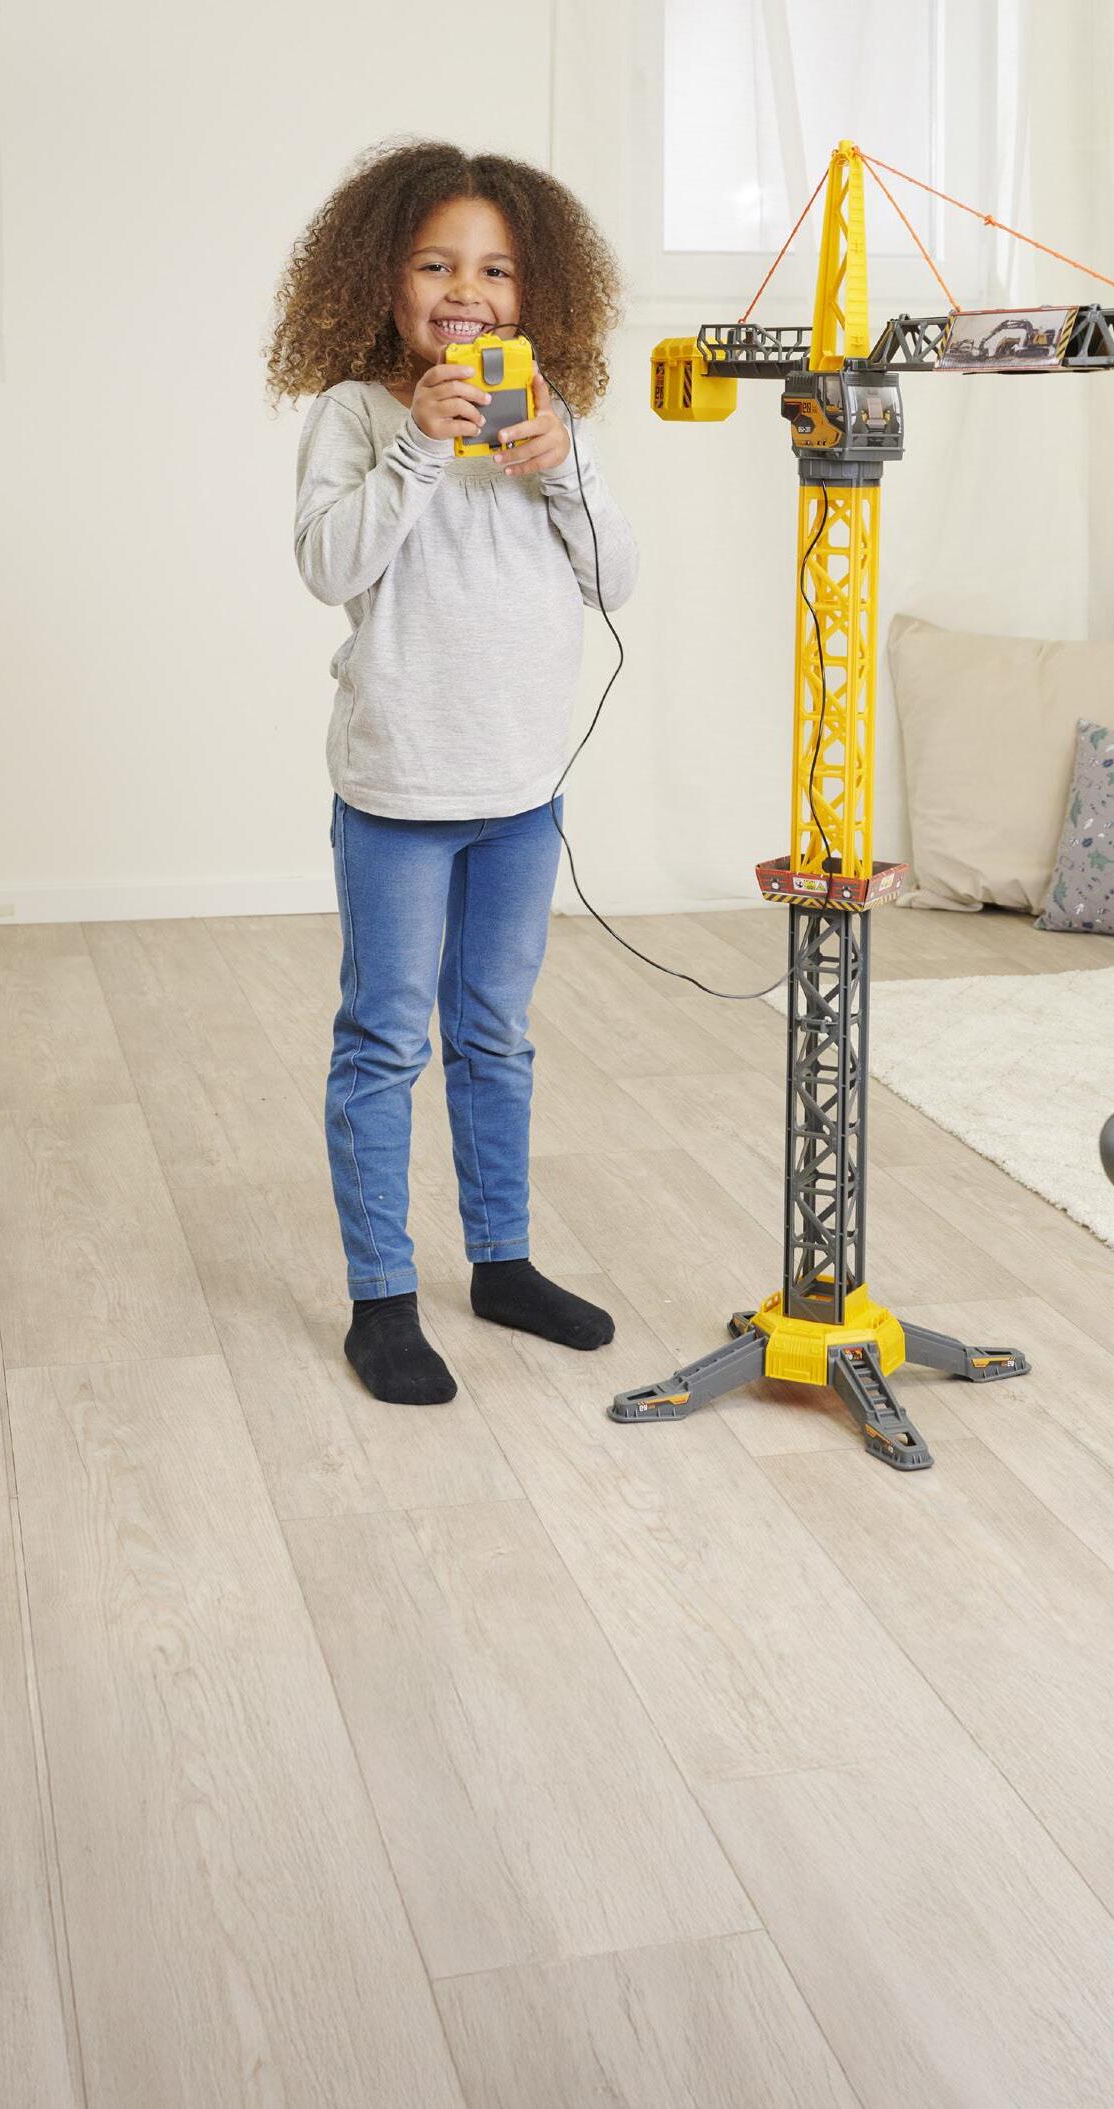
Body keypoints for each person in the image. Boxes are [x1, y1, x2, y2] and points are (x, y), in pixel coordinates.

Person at [265, 139, 638, 1405]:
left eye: (495, 269)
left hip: (522, 792)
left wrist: (563, 467)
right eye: (435, 265)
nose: (465, 291)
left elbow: (616, 580)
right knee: (383, 1041)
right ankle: (381, 1297)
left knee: (494, 1034)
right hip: (399, 793)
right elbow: (330, 566)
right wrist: (418, 448)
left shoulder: (549, 417)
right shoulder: (356, 415)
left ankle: (502, 1262)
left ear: (536, 294)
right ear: (382, 279)